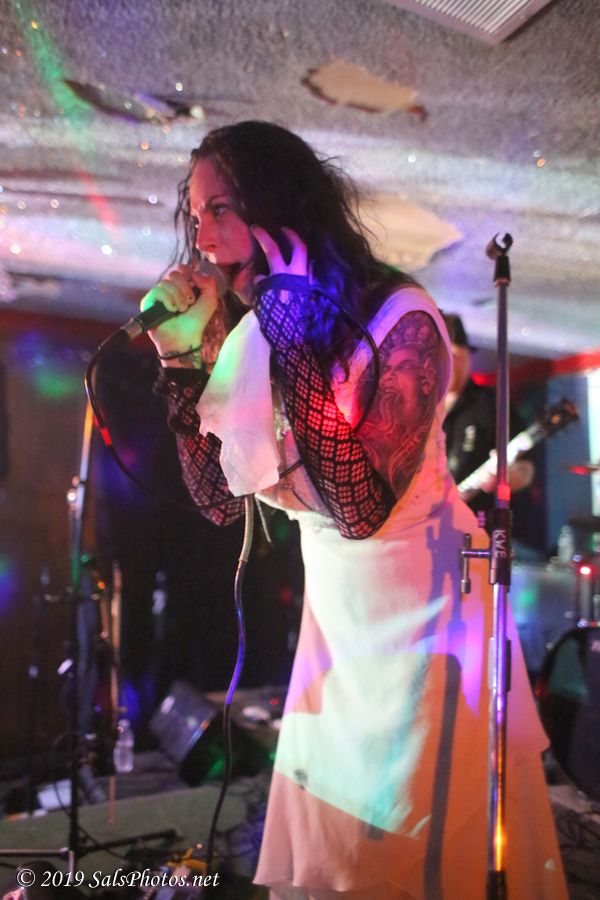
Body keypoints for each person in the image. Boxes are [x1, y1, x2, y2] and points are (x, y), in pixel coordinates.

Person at [141, 121, 566, 899]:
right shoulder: (256, 328)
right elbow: (217, 500)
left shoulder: (398, 315)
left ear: (279, 205)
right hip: (338, 616)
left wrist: (291, 329)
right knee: (337, 840)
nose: (202, 236)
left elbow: (361, 508)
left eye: (221, 209)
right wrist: (181, 360)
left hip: (427, 612)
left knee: (418, 836)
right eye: (194, 214)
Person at [442, 313, 535, 518]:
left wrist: (507, 476)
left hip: (477, 523)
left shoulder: (493, 403)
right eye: (443, 357)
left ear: (468, 355)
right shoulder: (419, 406)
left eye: (456, 356)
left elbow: (527, 469)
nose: (450, 365)